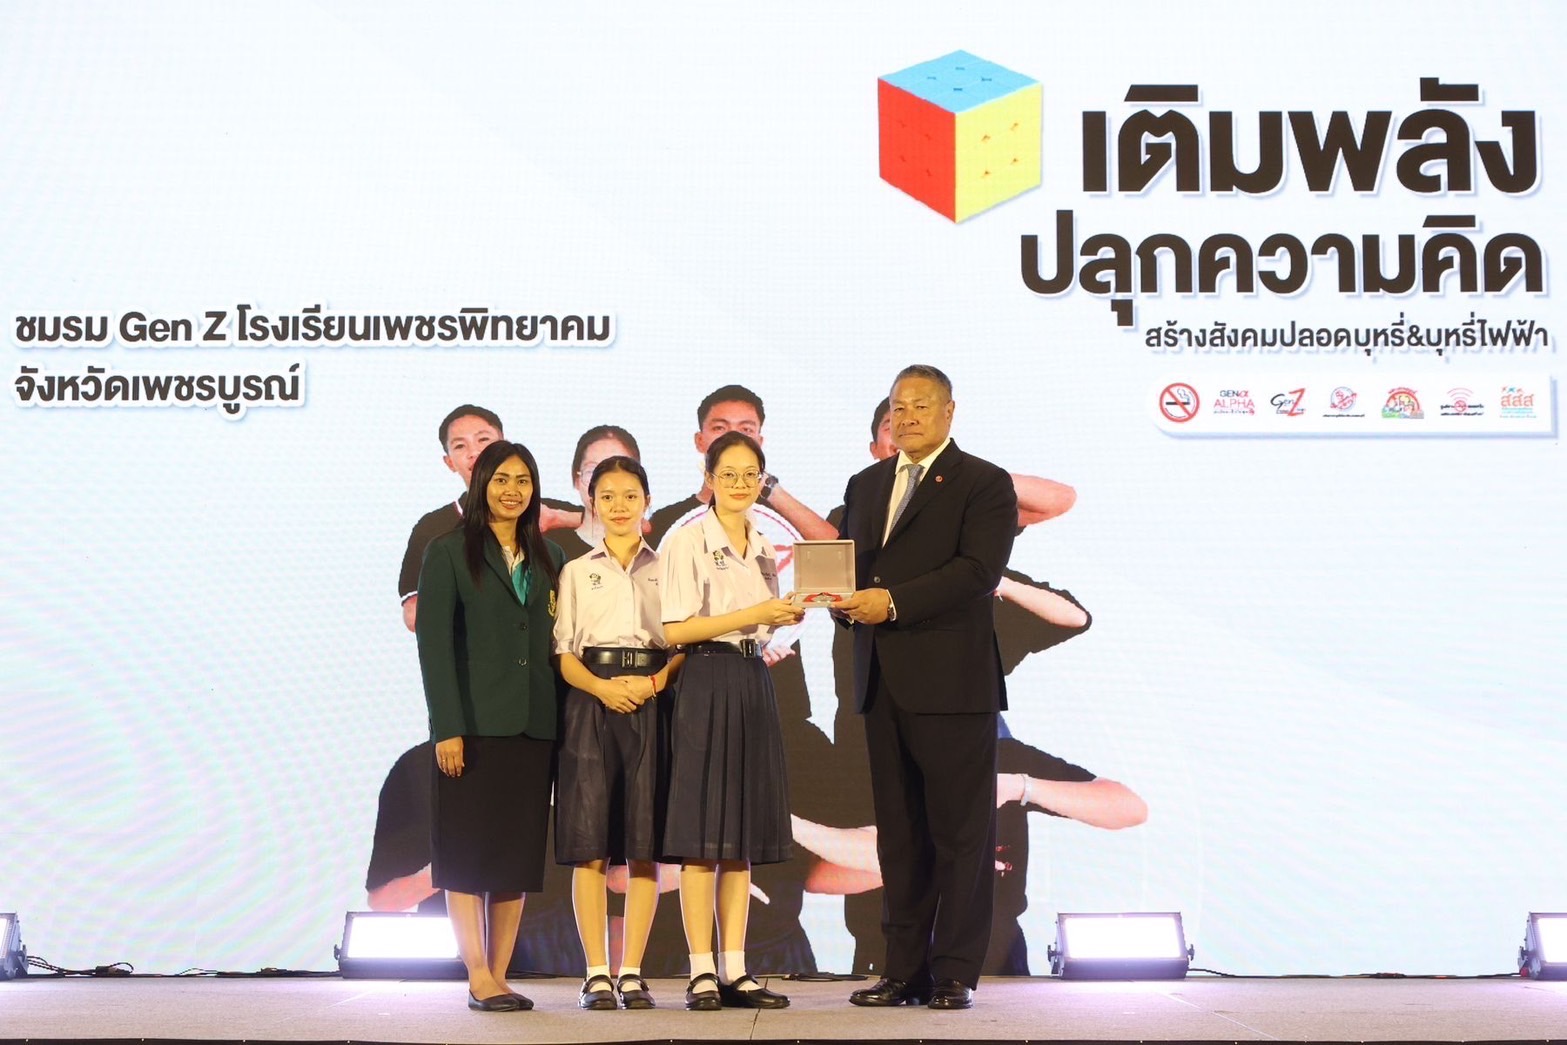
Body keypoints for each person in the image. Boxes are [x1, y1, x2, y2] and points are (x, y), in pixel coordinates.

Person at [834, 365, 1016, 1011]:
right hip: (881, 681)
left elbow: (977, 570)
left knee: (961, 834)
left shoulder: (983, 482)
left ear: (948, 411)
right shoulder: (866, 483)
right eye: (898, 406)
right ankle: (902, 970)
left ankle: (955, 971)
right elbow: (854, 568)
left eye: (920, 405)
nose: (906, 416)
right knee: (899, 835)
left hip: (953, 684)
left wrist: (892, 602)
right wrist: (837, 601)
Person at [415, 439, 566, 1012]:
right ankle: (477, 973)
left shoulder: (550, 556)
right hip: (473, 727)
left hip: (534, 726)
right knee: (465, 854)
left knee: (514, 859)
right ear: (481, 484)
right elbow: (434, 647)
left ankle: (500, 975)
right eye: (501, 479)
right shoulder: (449, 551)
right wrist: (446, 727)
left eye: (523, 480)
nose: (512, 490)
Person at [658, 430, 805, 1011]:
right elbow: (675, 629)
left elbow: (761, 626)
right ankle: (700, 971)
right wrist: (756, 612)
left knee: (740, 839)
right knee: (703, 839)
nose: (740, 484)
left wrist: (783, 616)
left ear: (762, 482)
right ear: (709, 479)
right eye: (729, 474)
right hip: (705, 677)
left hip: (752, 678)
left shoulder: (765, 543)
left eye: (751, 475)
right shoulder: (688, 540)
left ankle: (736, 970)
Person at [552, 455, 682, 1010]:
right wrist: (602, 690)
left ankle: (632, 972)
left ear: (647, 500)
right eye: (607, 496)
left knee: (644, 847)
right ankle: (595, 974)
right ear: (592, 503)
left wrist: (653, 684)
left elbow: (683, 644)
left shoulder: (669, 567)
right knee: (590, 847)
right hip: (591, 701)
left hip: (653, 698)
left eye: (630, 495)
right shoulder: (576, 570)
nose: (620, 506)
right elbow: (563, 653)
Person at [554, 425, 643, 562]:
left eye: (619, 470)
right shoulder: (554, 552)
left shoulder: (659, 548)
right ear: (577, 479)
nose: (605, 483)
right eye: (592, 470)